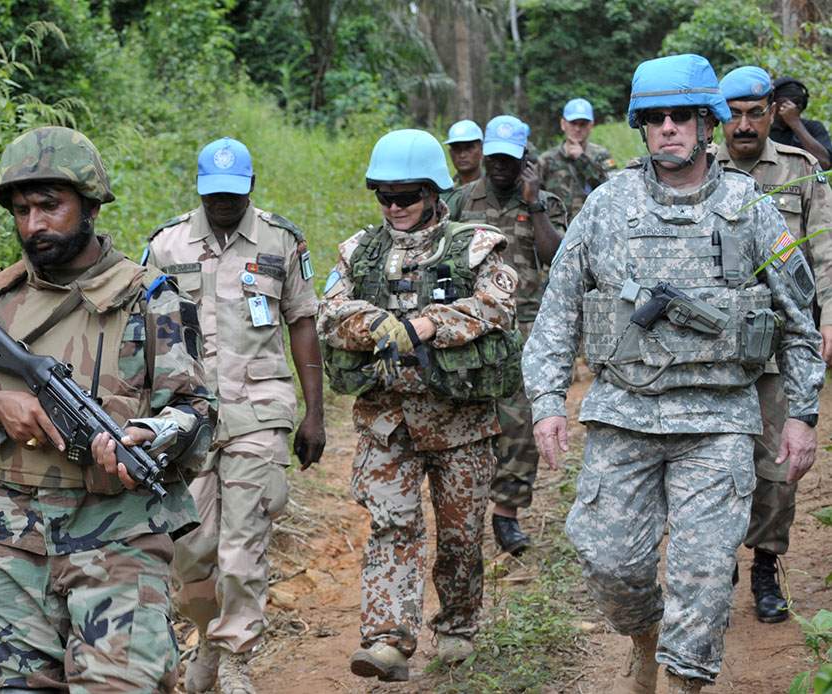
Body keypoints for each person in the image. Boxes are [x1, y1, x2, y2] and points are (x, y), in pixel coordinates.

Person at [525, 54, 822, 694]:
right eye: (655, 117)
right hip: (624, 415)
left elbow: (799, 318)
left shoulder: (752, 208)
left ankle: (686, 679)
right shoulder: (607, 206)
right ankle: (644, 637)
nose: (668, 127)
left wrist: (801, 415)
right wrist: (547, 400)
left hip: (718, 423)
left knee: (705, 570)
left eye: (680, 115)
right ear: (640, 125)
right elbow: (557, 309)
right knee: (610, 561)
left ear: (704, 123)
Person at [0, 126, 215, 693]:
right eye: (22, 210)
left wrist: (150, 434)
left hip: (120, 538)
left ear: (90, 205)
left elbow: (198, 413)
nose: (34, 225)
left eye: (50, 206)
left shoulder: (153, 300)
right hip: (13, 542)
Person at [319, 128, 519, 681]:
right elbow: (329, 313)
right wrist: (375, 323)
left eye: (406, 195)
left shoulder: (477, 244)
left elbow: (497, 304)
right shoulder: (359, 251)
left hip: (460, 423)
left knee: (459, 536)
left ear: (434, 192)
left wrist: (427, 325)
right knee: (392, 528)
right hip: (388, 423)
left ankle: (456, 627)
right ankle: (387, 639)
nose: (395, 207)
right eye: (384, 195)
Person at [143, 137, 326, 694]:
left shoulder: (282, 240)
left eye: (233, 194)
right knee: (190, 549)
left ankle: (238, 661)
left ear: (250, 186)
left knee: (244, 545)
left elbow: (302, 323)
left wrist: (315, 413)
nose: (223, 204)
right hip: (185, 418)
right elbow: (143, 331)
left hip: (260, 412)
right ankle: (208, 641)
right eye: (213, 195)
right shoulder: (165, 244)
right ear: (200, 191)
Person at [717, 64, 832, 624]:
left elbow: (826, 253)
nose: (743, 125)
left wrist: (829, 316)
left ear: (771, 113)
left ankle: (766, 564)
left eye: (753, 113)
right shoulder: (694, 171)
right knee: (711, 460)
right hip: (710, 347)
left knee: (778, 464)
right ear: (719, 118)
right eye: (733, 115)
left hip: (780, 346)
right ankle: (718, 562)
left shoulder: (802, 171)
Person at [447, 114, 567, 556]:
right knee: (469, 419)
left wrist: (534, 204)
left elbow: (557, 257)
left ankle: (507, 513)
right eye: (494, 157)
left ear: (525, 161)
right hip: (471, 326)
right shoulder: (459, 203)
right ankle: (465, 507)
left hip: (526, 327)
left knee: (520, 423)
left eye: (509, 160)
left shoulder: (547, 203)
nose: (500, 166)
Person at [539, 97, 616, 220]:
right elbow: (535, 197)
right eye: (573, 123)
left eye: (583, 124)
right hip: (557, 229)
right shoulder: (547, 159)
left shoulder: (602, 156)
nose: (577, 129)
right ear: (563, 124)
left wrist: (583, 160)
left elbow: (613, 191)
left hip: (592, 226)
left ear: (591, 125)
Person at [769, 76, 832, 170]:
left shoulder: (813, 127)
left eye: (797, 102)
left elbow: (824, 163)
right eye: (784, 102)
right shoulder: (764, 129)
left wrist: (795, 123)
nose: (792, 107)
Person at [444, 119, 484, 188]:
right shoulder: (444, 190)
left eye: (469, 148)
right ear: (450, 153)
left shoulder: (495, 188)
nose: (462, 155)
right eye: (456, 148)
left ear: (482, 150)